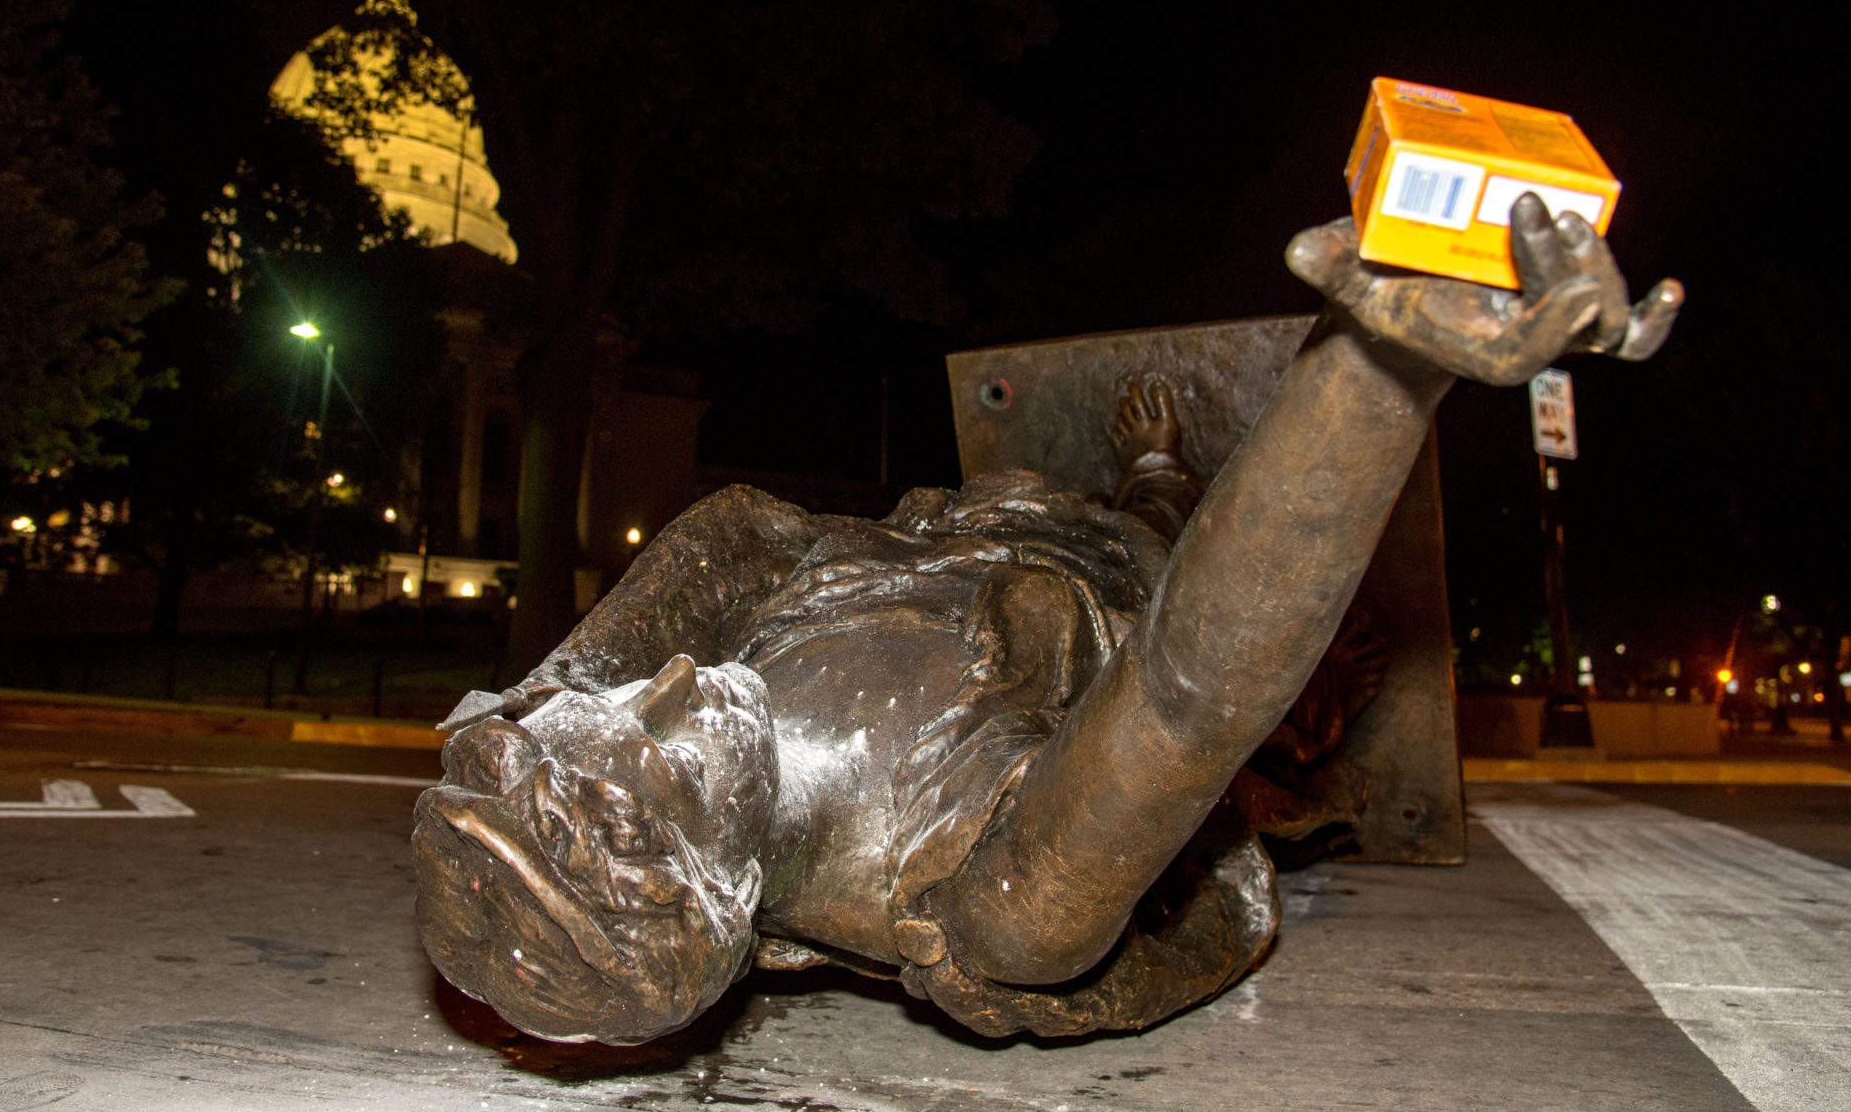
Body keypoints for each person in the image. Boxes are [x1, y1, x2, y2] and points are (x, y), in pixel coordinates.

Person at [414, 200, 1682, 1043]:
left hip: (979, 535)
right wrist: (1375, 372)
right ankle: (1161, 487)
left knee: (1016, 520)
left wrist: (539, 702)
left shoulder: (680, 703)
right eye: (651, 734)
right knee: (1186, 590)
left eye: (620, 690)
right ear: (697, 876)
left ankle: (1135, 487)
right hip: (1133, 594)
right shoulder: (984, 905)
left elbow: (734, 532)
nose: (676, 680)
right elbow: (1188, 689)